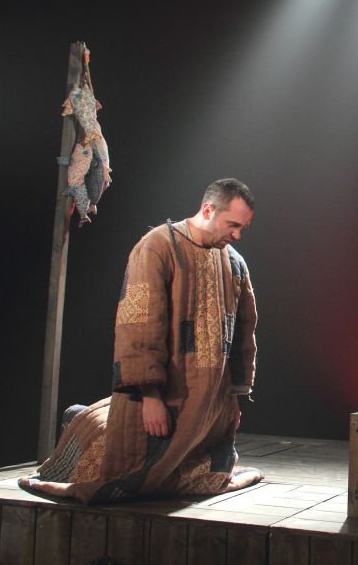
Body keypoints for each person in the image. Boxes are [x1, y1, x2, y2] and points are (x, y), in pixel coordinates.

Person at [20, 178, 262, 504]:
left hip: (209, 404)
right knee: (129, 472)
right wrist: (150, 396)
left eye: (242, 228)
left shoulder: (233, 262)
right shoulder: (159, 246)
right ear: (208, 210)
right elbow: (139, 323)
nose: (237, 235)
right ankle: (79, 430)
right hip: (168, 394)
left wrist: (234, 396)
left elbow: (244, 331)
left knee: (205, 475)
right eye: (233, 225)